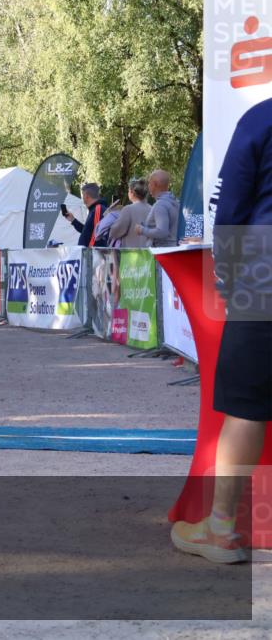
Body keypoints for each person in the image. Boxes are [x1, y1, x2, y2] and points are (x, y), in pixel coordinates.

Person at [171, 97, 272, 564]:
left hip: (264, 277)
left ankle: (221, 530)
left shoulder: (261, 118)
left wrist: (229, 281)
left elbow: (229, 208)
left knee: (246, 407)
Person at [136, 170, 179, 247]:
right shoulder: (176, 202)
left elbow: (162, 232)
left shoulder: (160, 205)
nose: (148, 185)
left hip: (162, 253)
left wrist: (142, 230)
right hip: (173, 250)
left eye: (149, 183)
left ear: (154, 184)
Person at [62, 183, 109, 247]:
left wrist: (88, 252)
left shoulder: (98, 209)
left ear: (87, 196)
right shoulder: (94, 209)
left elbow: (97, 235)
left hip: (92, 254)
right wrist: (73, 220)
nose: (82, 198)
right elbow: (87, 232)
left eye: (83, 195)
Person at [108, 178, 152, 248]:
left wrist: (110, 216)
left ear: (131, 192)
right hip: (149, 254)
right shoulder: (152, 209)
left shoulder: (128, 209)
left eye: (128, 191)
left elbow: (115, 232)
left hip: (131, 254)